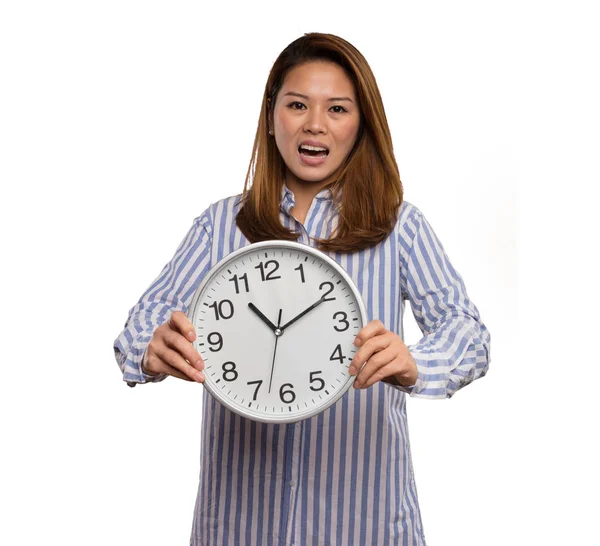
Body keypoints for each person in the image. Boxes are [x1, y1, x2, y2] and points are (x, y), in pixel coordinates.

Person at [114, 32, 491, 546]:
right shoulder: (221, 225)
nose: (315, 123)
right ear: (272, 118)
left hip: (365, 525)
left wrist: (415, 363)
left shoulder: (401, 227)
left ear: (361, 126)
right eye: (297, 105)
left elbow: (468, 334)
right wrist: (153, 346)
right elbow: (140, 326)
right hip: (240, 528)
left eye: (337, 108)